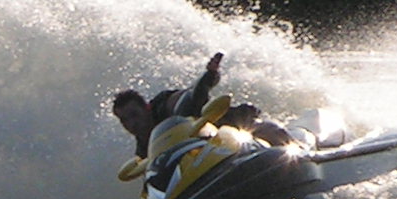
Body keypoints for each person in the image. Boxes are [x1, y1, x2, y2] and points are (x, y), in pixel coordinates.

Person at [110, 53, 292, 156]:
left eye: (134, 115)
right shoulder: (144, 148)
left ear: (147, 108)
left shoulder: (165, 104)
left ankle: (300, 152)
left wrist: (208, 76)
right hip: (204, 160)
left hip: (230, 128)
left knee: (269, 132)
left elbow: (190, 97)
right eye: (124, 120)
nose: (131, 124)